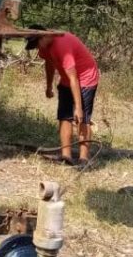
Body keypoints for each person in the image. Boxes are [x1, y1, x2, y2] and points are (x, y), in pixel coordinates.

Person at [25, 25, 99, 167]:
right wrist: (48, 86)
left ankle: (83, 159)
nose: (36, 48)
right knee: (64, 116)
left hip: (85, 79)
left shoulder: (62, 45)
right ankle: (66, 156)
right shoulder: (45, 46)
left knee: (81, 119)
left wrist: (78, 107)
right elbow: (49, 64)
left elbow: (74, 78)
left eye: (37, 43)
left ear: (45, 36)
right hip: (67, 80)